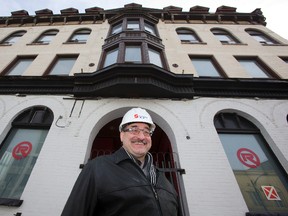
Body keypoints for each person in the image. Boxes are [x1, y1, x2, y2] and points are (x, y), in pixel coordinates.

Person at [61, 107, 179, 216]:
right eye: (134, 130)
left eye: (146, 131)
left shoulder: (163, 178)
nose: (142, 137)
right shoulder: (97, 168)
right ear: (122, 135)